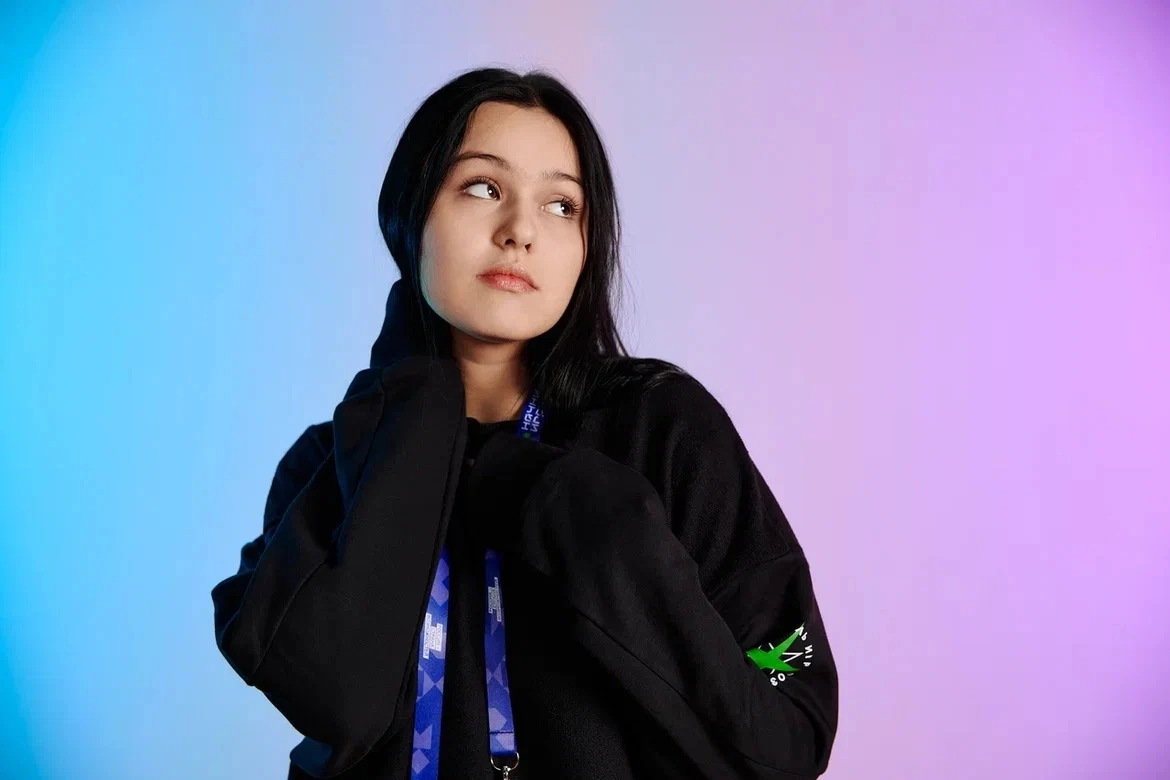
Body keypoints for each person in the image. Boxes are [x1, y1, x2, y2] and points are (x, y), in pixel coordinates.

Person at [211, 66, 838, 780]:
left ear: (587, 247)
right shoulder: (327, 467)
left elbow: (787, 722)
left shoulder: (663, 429)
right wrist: (414, 416)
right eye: (483, 187)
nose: (519, 231)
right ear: (410, 214)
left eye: (561, 206)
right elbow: (340, 701)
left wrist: (572, 515)